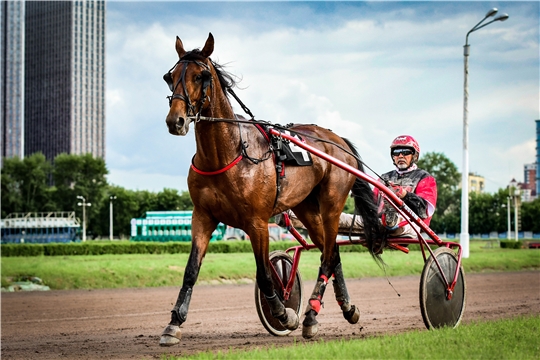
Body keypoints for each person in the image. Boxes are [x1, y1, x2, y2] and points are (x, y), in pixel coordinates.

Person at [279, 135, 437, 238]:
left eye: (405, 151)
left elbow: (426, 211)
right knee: (333, 218)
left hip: (410, 227)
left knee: (391, 221)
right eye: (396, 152)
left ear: (414, 155)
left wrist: (404, 195)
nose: (400, 155)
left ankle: (390, 221)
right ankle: (291, 216)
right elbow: (372, 206)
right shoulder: (385, 178)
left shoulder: (424, 178)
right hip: (378, 224)